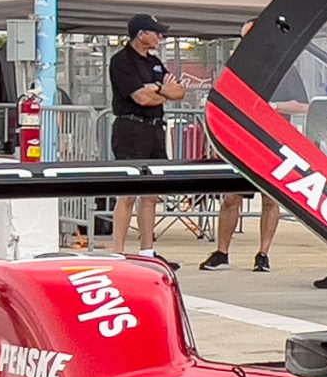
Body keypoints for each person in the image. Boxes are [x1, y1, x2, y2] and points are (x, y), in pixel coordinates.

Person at [203, 18, 290, 272]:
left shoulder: (283, 66)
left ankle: (263, 253)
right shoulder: (237, 68)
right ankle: (222, 251)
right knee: (231, 197)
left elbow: (302, 104)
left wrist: (271, 108)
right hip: (241, 139)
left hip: (271, 139)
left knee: (270, 199)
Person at [108, 14, 192, 259]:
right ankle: (118, 252)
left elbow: (179, 91)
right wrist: (161, 90)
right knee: (127, 192)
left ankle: (147, 250)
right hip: (131, 129)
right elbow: (140, 98)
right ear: (141, 34)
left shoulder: (154, 62)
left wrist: (158, 90)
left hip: (155, 127)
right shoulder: (121, 61)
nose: (160, 37)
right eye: (155, 32)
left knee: (151, 192)